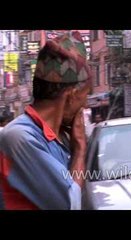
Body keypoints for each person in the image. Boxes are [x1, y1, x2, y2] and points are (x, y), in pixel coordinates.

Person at [0, 31, 92, 210]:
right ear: (71, 96)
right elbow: (70, 204)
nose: (86, 104)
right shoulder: (20, 137)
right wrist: (80, 149)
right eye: (85, 96)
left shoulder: (59, 138)